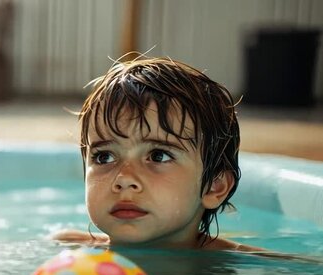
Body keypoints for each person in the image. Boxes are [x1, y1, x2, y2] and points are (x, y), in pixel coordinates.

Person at [52, 57, 263, 251]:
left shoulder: (249, 264)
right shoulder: (69, 248)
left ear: (214, 186)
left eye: (158, 156)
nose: (124, 179)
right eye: (104, 157)